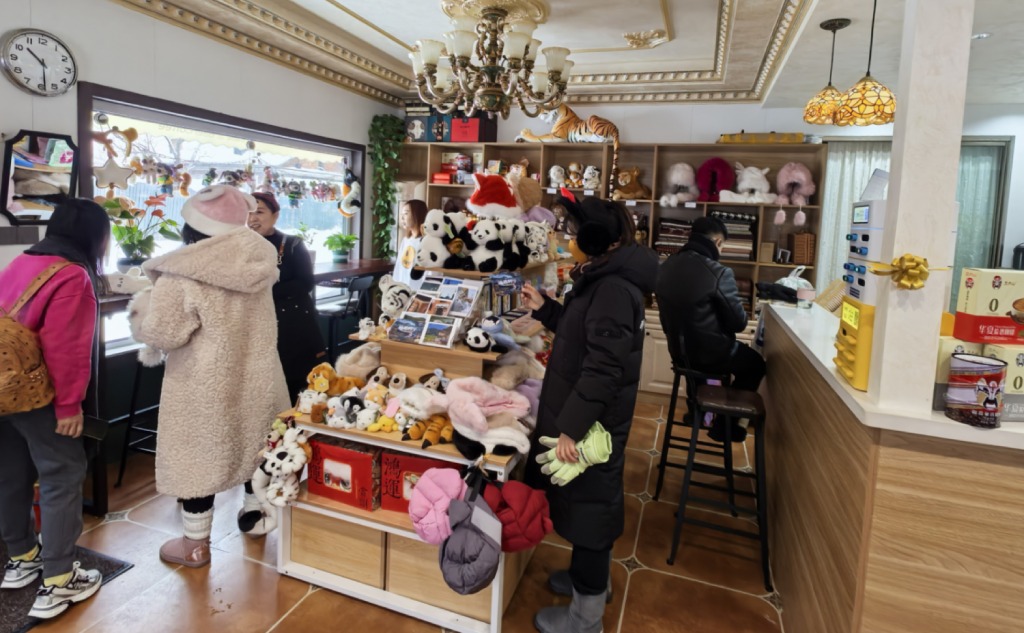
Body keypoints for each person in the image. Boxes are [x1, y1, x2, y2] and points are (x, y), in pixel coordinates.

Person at [130, 185, 290, 565]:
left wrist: (142, 310)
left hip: (203, 383)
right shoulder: (258, 260)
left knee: (198, 456)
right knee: (256, 444)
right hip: (259, 373)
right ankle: (255, 517)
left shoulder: (181, 273)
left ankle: (195, 543)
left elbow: (164, 333)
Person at [521, 195, 657, 633]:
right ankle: (587, 584)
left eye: (577, 232)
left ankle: (586, 617)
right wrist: (546, 310)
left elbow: (604, 366)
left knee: (591, 511)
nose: (570, 239)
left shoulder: (614, 289)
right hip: (590, 413)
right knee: (583, 506)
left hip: (593, 421)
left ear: (598, 239)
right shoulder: (604, 278)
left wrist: (573, 427)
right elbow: (585, 334)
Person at [0, 199, 108, 620]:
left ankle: (22, 556)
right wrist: (69, 406)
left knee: (11, 473)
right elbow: (66, 350)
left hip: (3, 391)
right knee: (61, 473)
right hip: (36, 395)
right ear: (95, 237)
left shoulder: (21, 263)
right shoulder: (72, 275)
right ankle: (60, 581)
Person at [654, 215, 766, 442]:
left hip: (679, 353)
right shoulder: (719, 272)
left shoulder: (665, 267)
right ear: (717, 242)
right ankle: (727, 425)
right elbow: (739, 323)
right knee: (755, 364)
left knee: (694, 355)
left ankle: (697, 412)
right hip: (713, 355)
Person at [248, 191, 327, 401]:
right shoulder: (238, 247)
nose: (252, 218)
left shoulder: (292, 244)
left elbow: (305, 283)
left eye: (259, 212)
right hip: (253, 326)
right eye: (247, 213)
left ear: (275, 215)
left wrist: (263, 291)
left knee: (295, 381)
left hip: (290, 326)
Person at [392, 199, 428, 287]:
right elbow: (399, 267)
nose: (402, 218)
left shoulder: (426, 242)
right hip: (402, 291)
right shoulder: (406, 240)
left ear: (417, 214)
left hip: (417, 292)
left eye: (406, 213)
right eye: (402, 214)